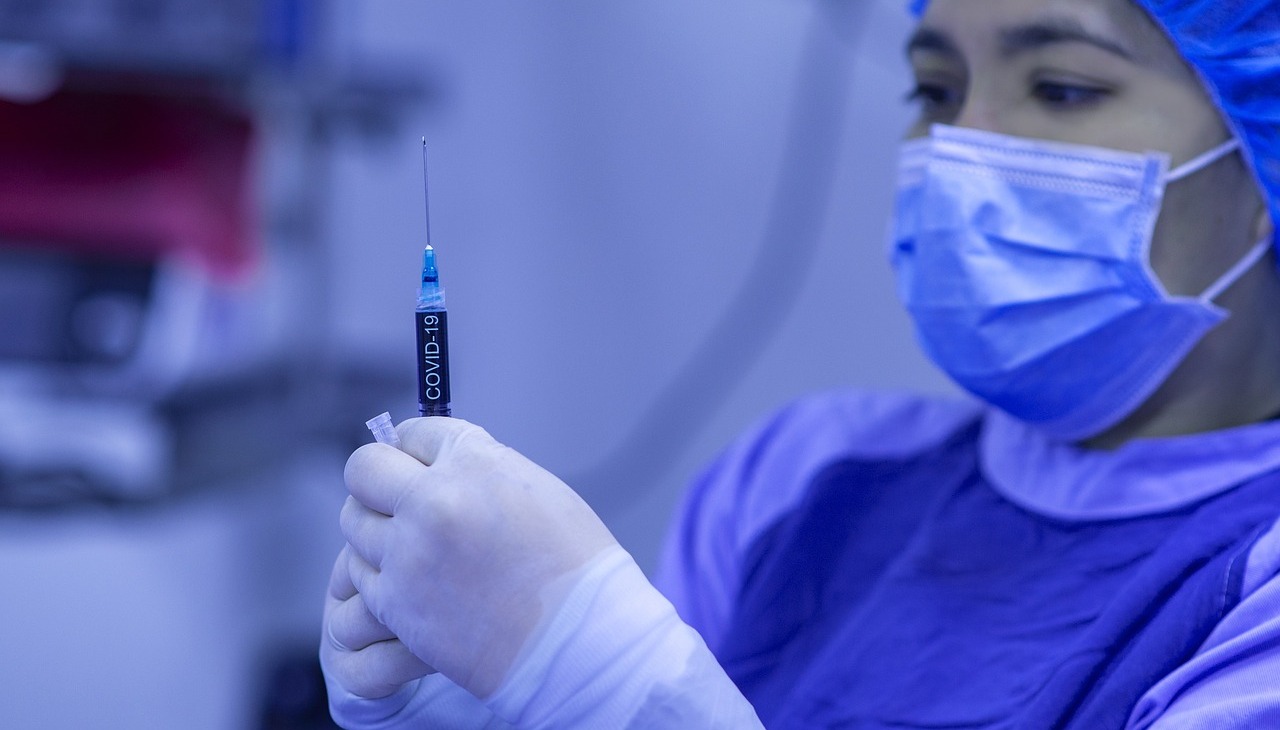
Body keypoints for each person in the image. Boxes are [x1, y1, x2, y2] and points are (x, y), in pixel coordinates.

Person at [320, 0, 1280, 726]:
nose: (961, 145)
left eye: (1063, 88)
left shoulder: (1256, 595)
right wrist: (466, 699)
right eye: (934, 92)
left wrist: (596, 670)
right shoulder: (801, 477)